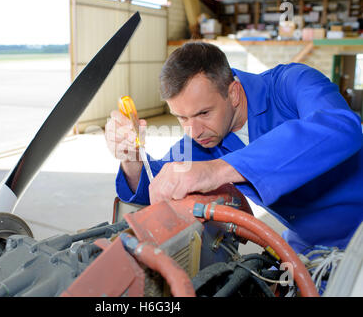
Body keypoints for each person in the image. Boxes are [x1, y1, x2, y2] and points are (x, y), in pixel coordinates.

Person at [104, 41, 363, 254]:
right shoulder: (203, 139)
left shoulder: (292, 83)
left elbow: (340, 127)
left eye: (203, 112)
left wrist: (217, 170)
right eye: (182, 118)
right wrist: (131, 158)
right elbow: (156, 182)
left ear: (234, 93)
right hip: (309, 242)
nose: (193, 131)